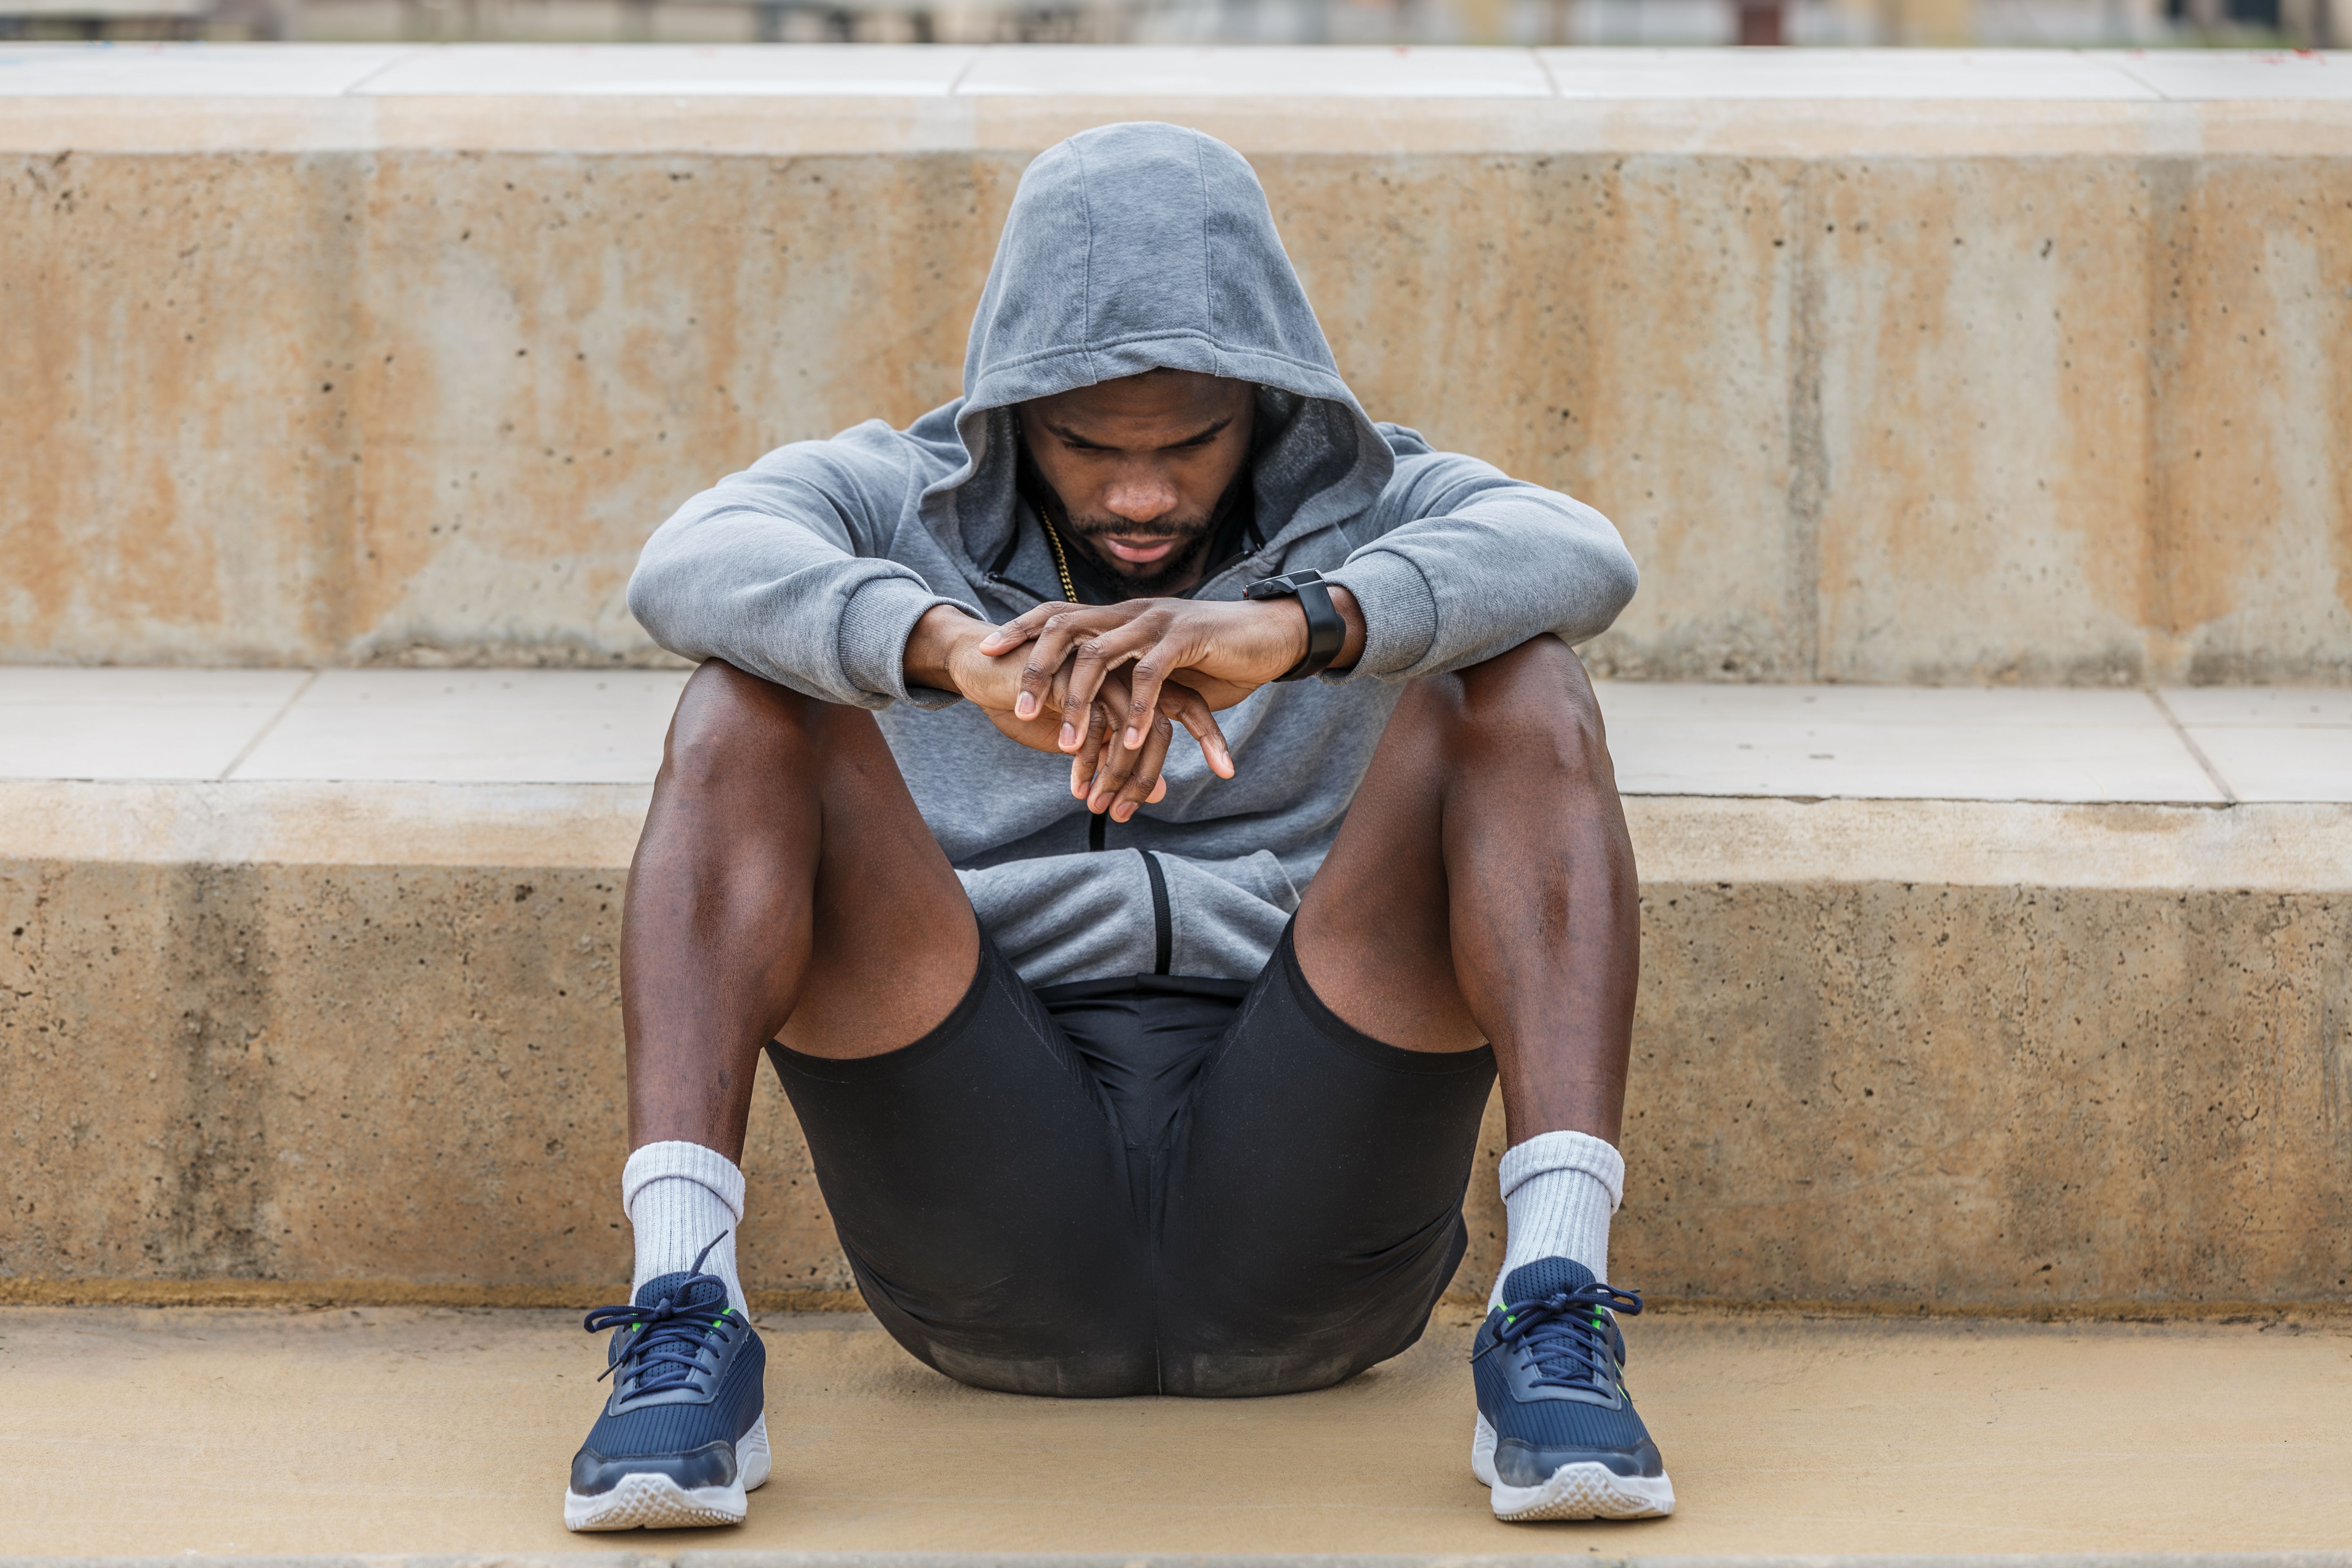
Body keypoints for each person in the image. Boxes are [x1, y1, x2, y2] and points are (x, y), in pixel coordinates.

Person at [561, 120, 1666, 1533]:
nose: (1141, 495)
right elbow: (688, 562)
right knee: (746, 704)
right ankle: (680, 1309)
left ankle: (1558, 1300)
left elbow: (1583, 552)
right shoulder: (894, 497)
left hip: (1313, 1159)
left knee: (1520, 681)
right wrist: (948, 655)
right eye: (1086, 445)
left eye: (1191, 443)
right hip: (980, 1169)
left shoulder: (1377, 501)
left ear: (1266, 404)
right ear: (1010, 414)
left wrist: (1299, 628)